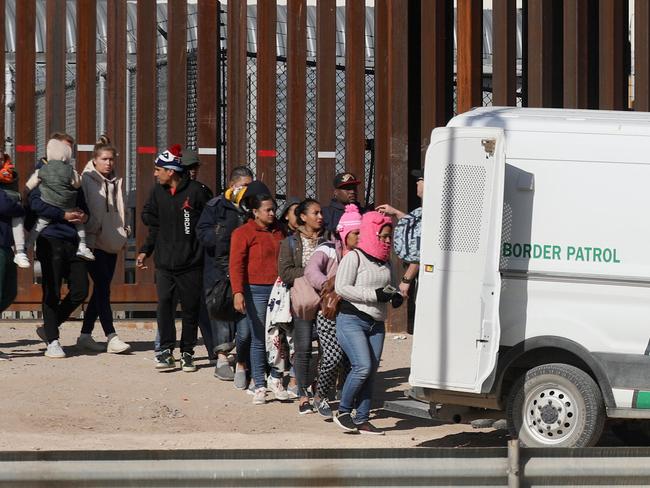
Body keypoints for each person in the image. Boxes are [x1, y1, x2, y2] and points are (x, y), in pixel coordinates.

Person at [136, 144, 210, 372]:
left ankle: (187, 352)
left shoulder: (198, 192)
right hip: (165, 263)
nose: (155, 173)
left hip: (191, 264)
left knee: (190, 309)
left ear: (171, 171)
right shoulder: (157, 192)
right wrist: (146, 250)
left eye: (159, 169)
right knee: (165, 307)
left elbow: (208, 225)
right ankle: (166, 351)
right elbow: (153, 223)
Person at [333, 211, 403, 434]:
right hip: (352, 320)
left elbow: (388, 287)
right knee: (362, 367)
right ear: (372, 234)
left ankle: (362, 419)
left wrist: (394, 296)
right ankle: (344, 411)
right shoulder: (353, 257)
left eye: (389, 236)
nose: (387, 240)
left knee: (371, 373)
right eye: (383, 236)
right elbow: (341, 288)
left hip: (376, 324)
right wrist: (375, 295)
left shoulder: (386, 262)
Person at [29, 140, 91, 359]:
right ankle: (53, 341)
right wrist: (62, 214)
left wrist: (83, 215)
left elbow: (83, 205)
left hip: (73, 240)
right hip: (49, 239)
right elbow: (34, 203)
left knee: (80, 290)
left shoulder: (73, 178)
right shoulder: (42, 174)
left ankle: (49, 327)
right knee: (52, 290)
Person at [196, 166, 254, 383]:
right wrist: (224, 236)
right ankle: (222, 358)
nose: (247, 190)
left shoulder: (251, 207)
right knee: (220, 309)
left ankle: (243, 358)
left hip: (245, 267)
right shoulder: (215, 206)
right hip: (219, 268)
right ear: (233, 185)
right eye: (244, 185)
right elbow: (203, 234)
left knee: (244, 311)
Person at [229, 191, 288, 404]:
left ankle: (276, 378)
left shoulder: (280, 231)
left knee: (279, 336)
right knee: (258, 337)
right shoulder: (243, 233)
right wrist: (238, 292)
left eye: (274, 209)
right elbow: (236, 264)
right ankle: (259, 384)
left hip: (279, 290)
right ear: (255, 212)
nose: (273, 213)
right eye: (268, 210)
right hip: (255, 290)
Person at [304, 204, 362, 418]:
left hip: (355, 313)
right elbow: (311, 271)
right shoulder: (327, 249)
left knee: (350, 359)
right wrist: (329, 284)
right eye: (356, 233)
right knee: (332, 357)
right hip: (330, 313)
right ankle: (320, 395)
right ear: (345, 233)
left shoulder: (363, 254)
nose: (359, 237)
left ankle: (347, 398)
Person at [76, 136, 131, 354]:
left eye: (111, 159)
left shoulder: (117, 181)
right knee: (102, 288)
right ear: (95, 160)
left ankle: (85, 335)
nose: (108, 163)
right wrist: (90, 225)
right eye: (104, 159)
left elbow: (121, 209)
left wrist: (125, 231)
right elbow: (85, 208)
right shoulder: (86, 179)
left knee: (101, 289)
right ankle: (111, 335)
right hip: (92, 241)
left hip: (112, 238)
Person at [278, 198, 327, 414]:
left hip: (326, 300)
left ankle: (321, 391)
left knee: (327, 348)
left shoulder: (329, 240)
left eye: (321, 213)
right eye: (315, 213)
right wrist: (311, 273)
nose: (320, 217)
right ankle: (302, 394)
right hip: (303, 300)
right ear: (303, 217)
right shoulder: (290, 242)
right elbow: (285, 272)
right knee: (303, 347)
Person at [23, 139, 95, 263]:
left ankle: (26, 246)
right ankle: (83, 246)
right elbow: (77, 183)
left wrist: (25, 191)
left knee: (39, 224)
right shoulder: (70, 171)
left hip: (49, 202)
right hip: (60, 221)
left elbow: (30, 185)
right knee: (79, 225)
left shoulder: (42, 170)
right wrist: (64, 214)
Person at [375, 169, 424, 298]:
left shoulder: (433, 210)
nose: (417, 183)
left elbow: (420, 248)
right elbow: (416, 227)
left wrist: (406, 280)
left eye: (420, 180)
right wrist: (396, 212)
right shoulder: (432, 207)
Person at [0, 179, 25, 353]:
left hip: (6, 245)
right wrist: (20, 206)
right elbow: (6, 207)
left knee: (9, 293)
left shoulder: (8, 180)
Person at [0, 155, 29, 269]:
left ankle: (20, 250)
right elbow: (5, 205)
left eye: (1, 159)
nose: (0, 162)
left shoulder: (10, 174)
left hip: (7, 240)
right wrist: (20, 210)